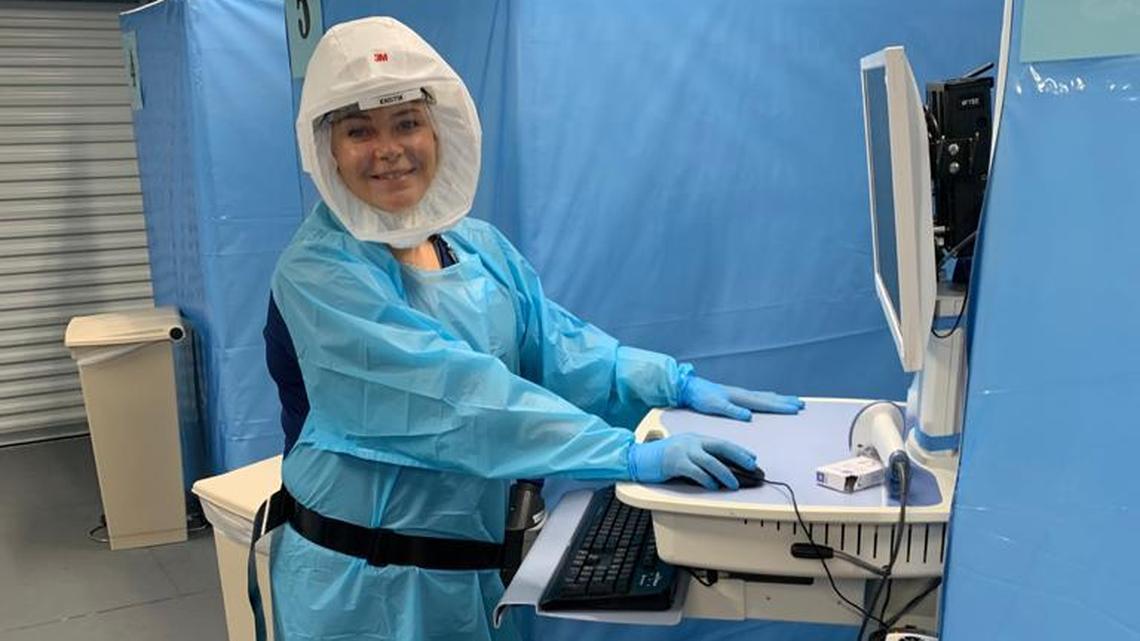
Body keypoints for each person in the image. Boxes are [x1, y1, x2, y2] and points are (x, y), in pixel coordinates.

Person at [266, 16, 804, 641]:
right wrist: (624, 456)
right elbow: (455, 399)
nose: (389, 149)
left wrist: (672, 384)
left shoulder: (475, 247)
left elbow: (560, 348)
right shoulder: (319, 273)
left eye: (407, 123)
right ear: (327, 150)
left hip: (469, 571)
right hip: (364, 587)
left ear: (442, 132)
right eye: (360, 131)